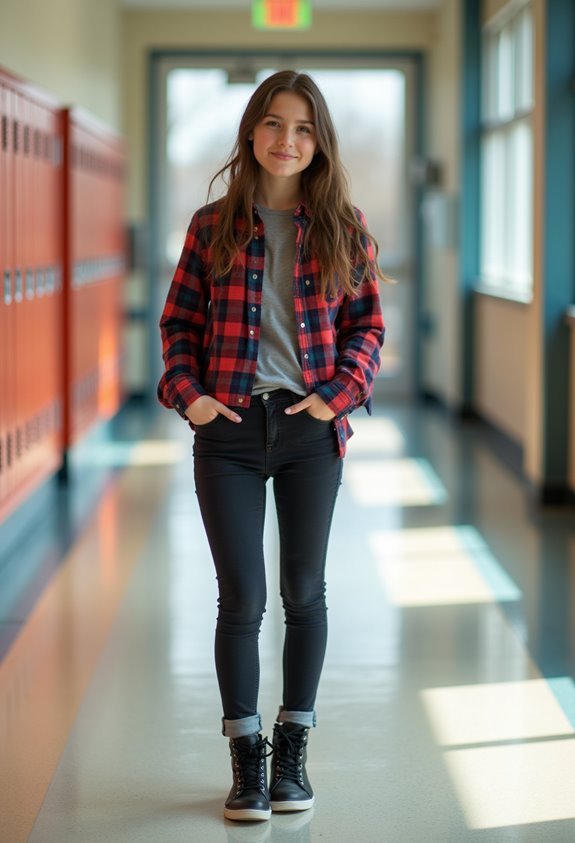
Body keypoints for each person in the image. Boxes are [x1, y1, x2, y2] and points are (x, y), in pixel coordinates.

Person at [158, 69, 386, 823]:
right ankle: (245, 758)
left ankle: (293, 747)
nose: (287, 141)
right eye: (274, 124)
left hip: (308, 430)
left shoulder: (343, 227)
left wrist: (336, 397)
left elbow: (368, 330)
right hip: (225, 431)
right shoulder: (210, 225)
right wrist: (189, 398)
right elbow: (177, 329)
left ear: (318, 143)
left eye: (303, 128)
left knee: (304, 591)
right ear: (250, 132)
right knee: (242, 598)